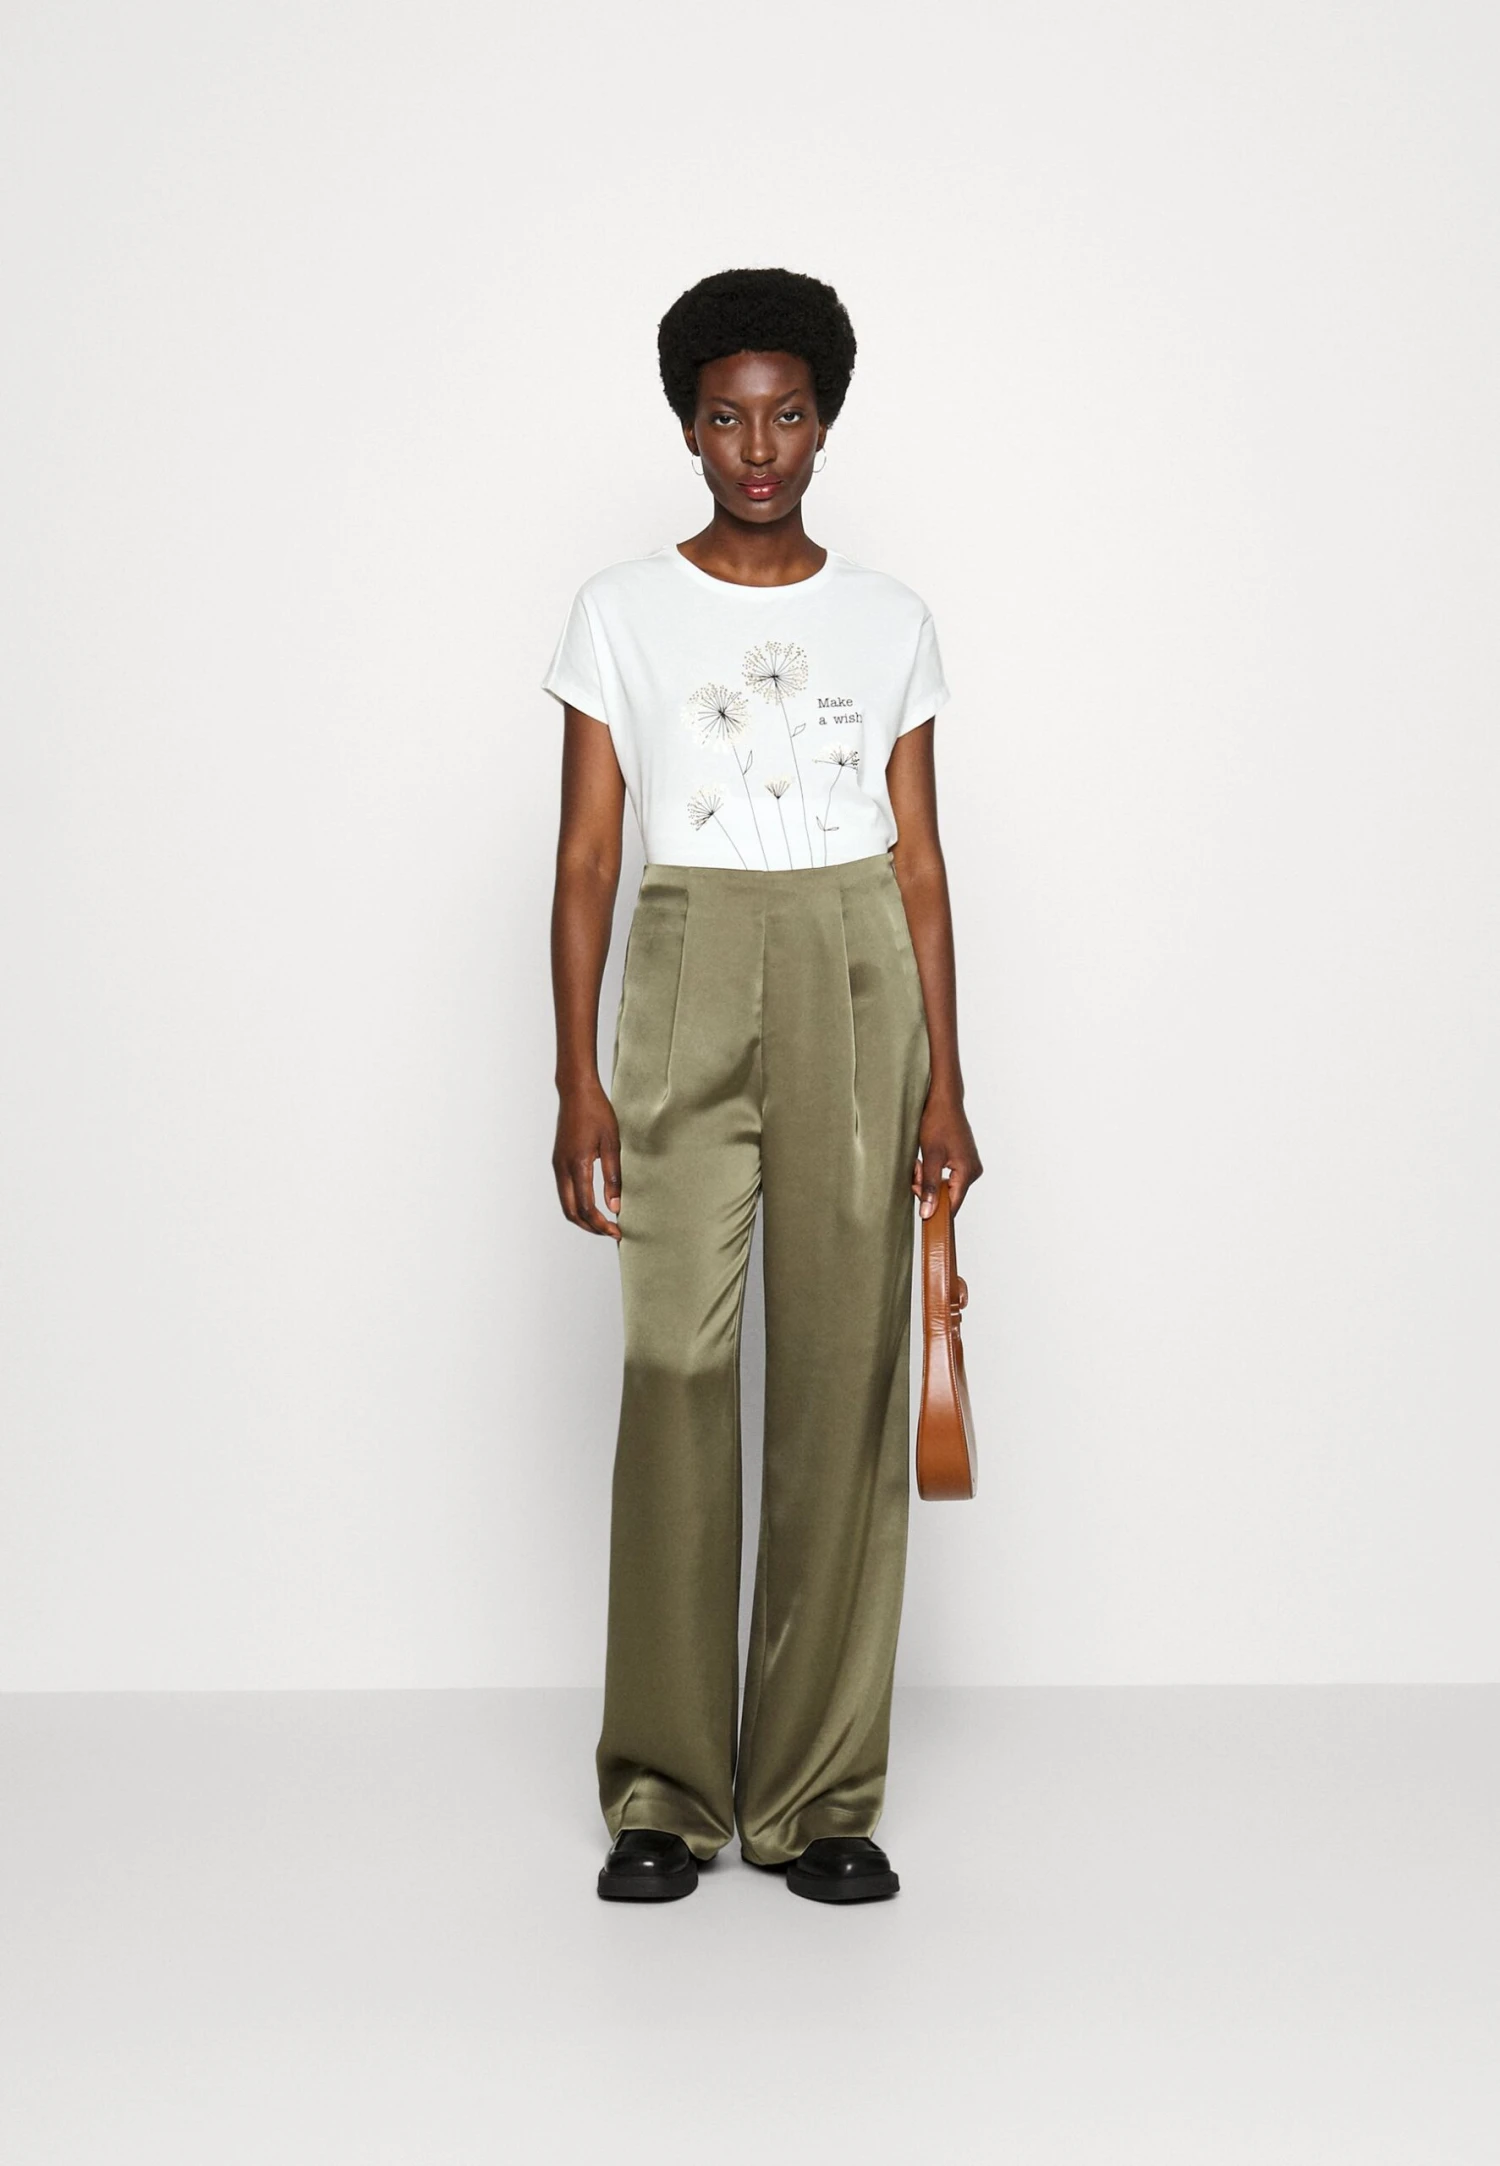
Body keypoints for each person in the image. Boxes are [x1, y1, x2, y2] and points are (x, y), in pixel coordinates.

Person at [544, 266, 982, 1905]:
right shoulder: (618, 609)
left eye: (786, 414)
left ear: (824, 423)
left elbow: (921, 863)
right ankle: (663, 1788)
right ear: (686, 427)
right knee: (673, 1362)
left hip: (856, 971)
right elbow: (589, 857)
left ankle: (815, 1793)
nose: (757, 447)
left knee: (844, 1377)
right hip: (681, 966)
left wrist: (949, 1085)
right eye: (726, 417)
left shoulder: (890, 617)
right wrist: (576, 1077)